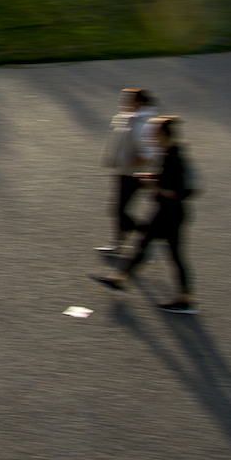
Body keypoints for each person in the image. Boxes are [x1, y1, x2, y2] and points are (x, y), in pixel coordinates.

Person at [91, 116, 198, 314]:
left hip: (170, 212)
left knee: (150, 246)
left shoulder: (174, 157)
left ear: (163, 135)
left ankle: (119, 280)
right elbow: (170, 180)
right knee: (159, 250)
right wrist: (152, 178)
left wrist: (154, 185)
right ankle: (185, 298)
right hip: (169, 211)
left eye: (153, 134)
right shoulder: (169, 153)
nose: (150, 138)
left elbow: (178, 191)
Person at [99, 88, 159, 251]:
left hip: (134, 173)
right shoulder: (127, 118)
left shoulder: (140, 123)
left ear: (140, 102)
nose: (124, 102)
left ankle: (149, 233)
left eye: (128, 99)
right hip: (124, 171)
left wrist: (129, 162)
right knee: (118, 209)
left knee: (118, 209)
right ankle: (118, 242)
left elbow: (148, 153)